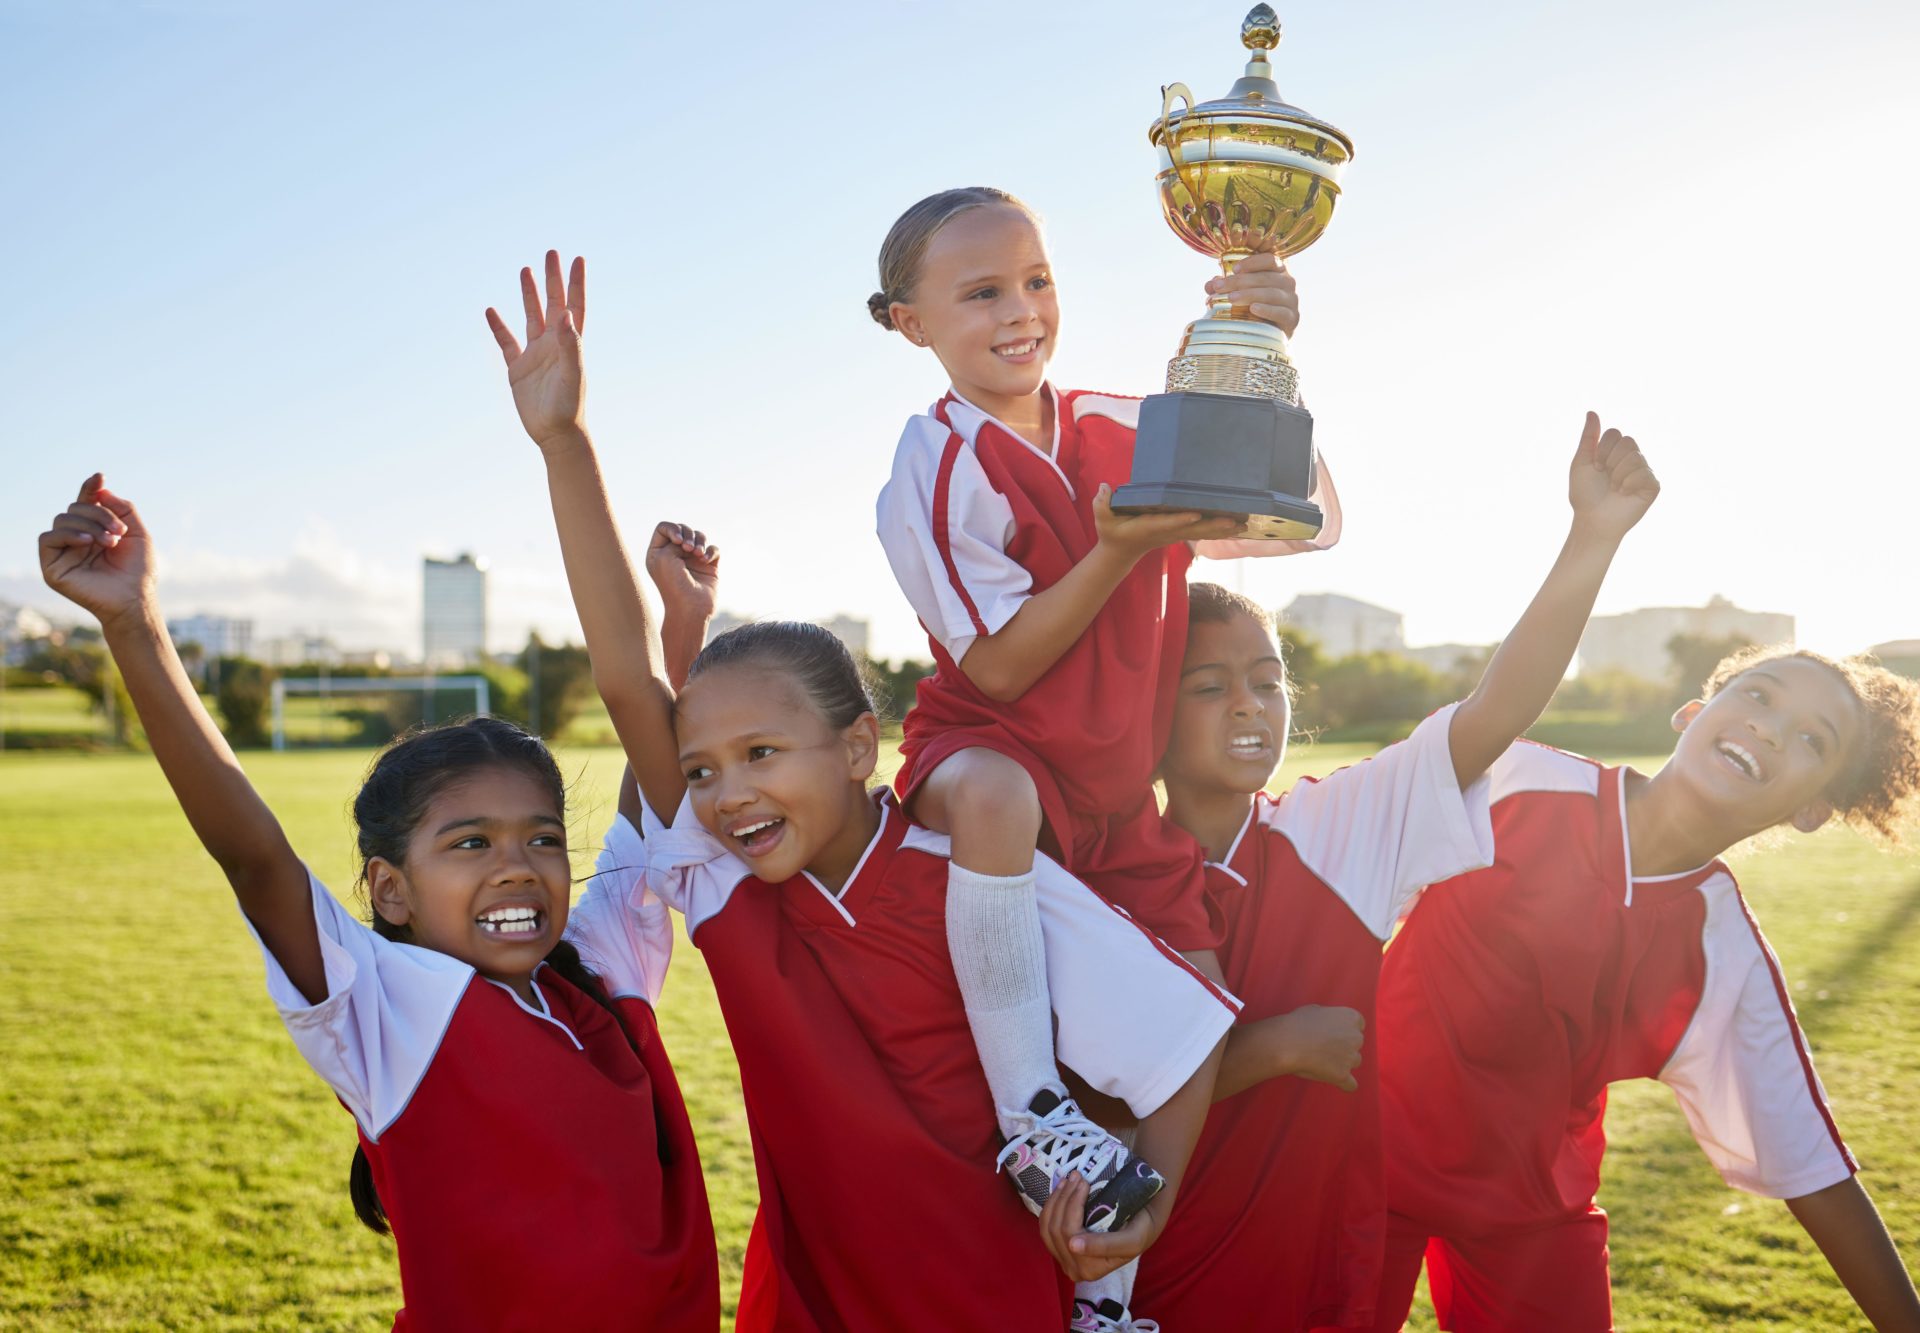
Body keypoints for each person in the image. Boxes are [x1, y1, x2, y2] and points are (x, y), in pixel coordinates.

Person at [487, 250, 1236, 1331]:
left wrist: (1134, 1230)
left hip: (1002, 1306)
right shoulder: (720, 876)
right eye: (702, 771)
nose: (727, 793)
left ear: (857, 748)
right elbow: (623, 673)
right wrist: (564, 441)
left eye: (762, 755)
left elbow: (1176, 1046)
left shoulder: (982, 881)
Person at [35, 476, 719, 1333]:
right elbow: (255, 857)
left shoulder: (603, 973)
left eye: (542, 838)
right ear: (388, 888)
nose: (516, 867)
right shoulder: (385, 1009)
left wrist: (682, 632)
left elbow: (657, 783)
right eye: (470, 843)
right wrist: (134, 622)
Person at [869, 186, 1340, 1247]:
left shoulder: (1126, 423)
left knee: (1202, 1021)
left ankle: (1109, 1282)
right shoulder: (934, 462)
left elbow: (1297, 524)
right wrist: (1116, 549)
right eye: (982, 291)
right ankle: (1029, 1110)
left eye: (1036, 281)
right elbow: (993, 670)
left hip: (1119, 802)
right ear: (913, 322)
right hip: (987, 752)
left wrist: (1252, 365)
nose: (1020, 309)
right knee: (995, 790)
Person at [1124, 415, 1659, 1332]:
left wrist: (1592, 538)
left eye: (1266, 679)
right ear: (1149, 713)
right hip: (1139, 1271)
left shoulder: (1333, 830)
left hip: (1300, 1270)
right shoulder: (1103, 868)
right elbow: (1096, 1103)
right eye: (1208, 687)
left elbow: (1494, 712)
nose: (1249, 703)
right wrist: (1280, 1046)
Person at [1372, 641, 1920, 1331]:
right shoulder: (1514, 777)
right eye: (1759, 694)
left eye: (1813, 738)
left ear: (1811, 808)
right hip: (1354, 1154)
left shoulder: (1723, 953)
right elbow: (1336, 876)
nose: (1772, 727)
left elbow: (1814, 1169)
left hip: (1529, 1205)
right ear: (1692, 712)